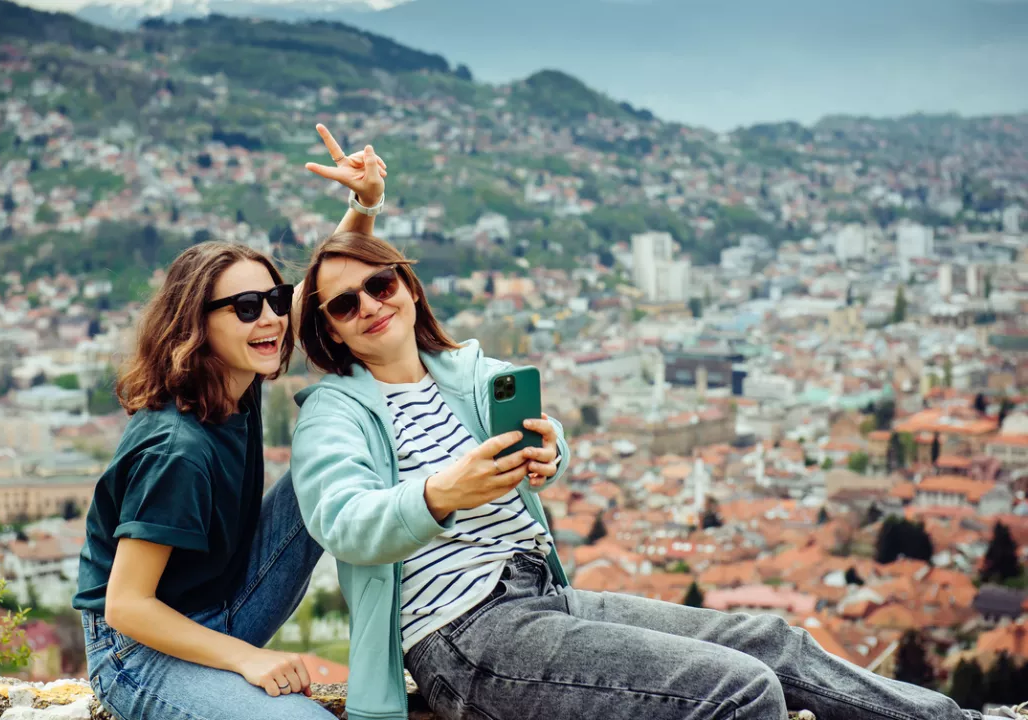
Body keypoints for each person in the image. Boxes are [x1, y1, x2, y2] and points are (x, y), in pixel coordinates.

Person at [289, 138, 1026, 720]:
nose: (368, 306)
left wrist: (551, 450)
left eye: (379, 285)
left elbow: (544, 441)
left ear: (408, 287)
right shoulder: (335, 410)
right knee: (739, 692)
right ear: (331, 331)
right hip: (461, 636)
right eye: (343, 306)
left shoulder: (468, 371)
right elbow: (343, 522)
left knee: (774, 641)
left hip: (542, 595)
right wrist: (440, 493)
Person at [71, 240, 331, 720]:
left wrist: (364, 205)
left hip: (218, 601)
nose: (270, 319)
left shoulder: (234, 376)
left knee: (335, 465)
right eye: (247, 308)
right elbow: (125, 606)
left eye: (274, 300)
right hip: (136, 653)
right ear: (197, 326)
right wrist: (249, 658)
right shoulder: (179, 454)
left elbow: (313, 291)